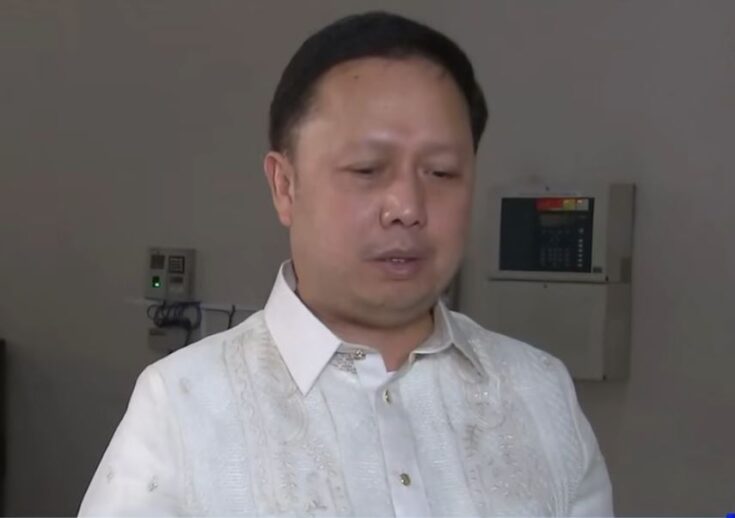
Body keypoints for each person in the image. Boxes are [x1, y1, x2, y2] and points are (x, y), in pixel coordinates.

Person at [79, 11, 613, 516]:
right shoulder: (183, 404)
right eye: (367, 169)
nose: (407, 207)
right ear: (285, 186)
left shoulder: (539, 392)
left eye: (441, 172)